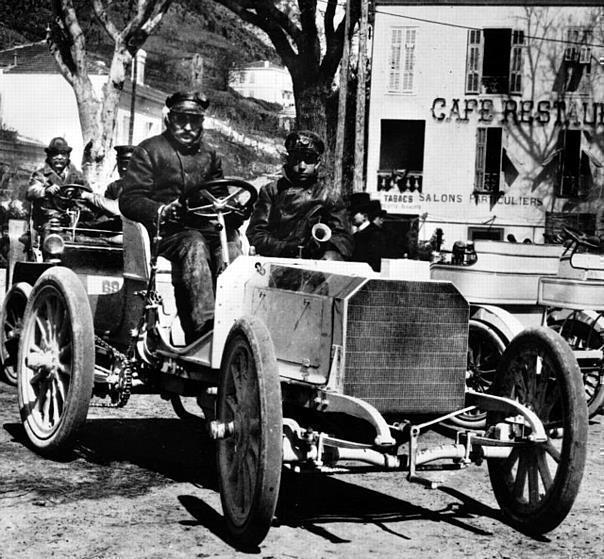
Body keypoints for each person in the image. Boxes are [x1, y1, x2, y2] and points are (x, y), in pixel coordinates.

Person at [120, 91, 235, 344]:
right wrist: (161, 210)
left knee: (233, 246)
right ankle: (204, 331)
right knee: (194, 243)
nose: (187, 127)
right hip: (164, 234)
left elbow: (219, 195)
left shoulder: (210, 155)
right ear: (169, 120)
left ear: (201, 124)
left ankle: (235, 324)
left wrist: (234, 209)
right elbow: (129, 200)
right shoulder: (149, 150)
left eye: (194, 121)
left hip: (202, 229)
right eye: (181, 119)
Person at [246, 130, 353, 260]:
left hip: (315, 266)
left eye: (309, 159)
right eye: (296, 159)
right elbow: (256, 233)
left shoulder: (329, 197)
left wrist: (331, 252)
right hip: (276, 262)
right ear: (288, 160)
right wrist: (288, 248)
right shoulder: (271, 191)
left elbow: (343, 238)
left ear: (317, 163)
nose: (302, 166)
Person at [26, 137, 88, 231]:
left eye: (63, 154)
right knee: (51, 232)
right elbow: (31, 192)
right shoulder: (40, 174)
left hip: (73, 219)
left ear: (68, 156)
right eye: (55, 154)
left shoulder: (78, 176)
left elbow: (87, 193)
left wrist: (84, 197)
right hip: (47, 219)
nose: (59, 157)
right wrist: (45, 190)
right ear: (49, 156)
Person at [80, 144, 135, 218]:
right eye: (120, 163)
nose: (123, 168)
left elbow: (116, 209)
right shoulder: (114, 187)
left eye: (127, 164)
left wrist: (89, 196)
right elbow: (106, 212)